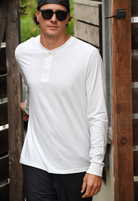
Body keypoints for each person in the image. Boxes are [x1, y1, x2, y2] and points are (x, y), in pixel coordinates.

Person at [15, 0, 108, 200]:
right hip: (35, 162)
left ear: (68, 18)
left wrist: (96, 166)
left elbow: (98, 114)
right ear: (38, 16)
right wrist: (28, 107)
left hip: (76, 164)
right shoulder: (23, 52)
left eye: (60, 14)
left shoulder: (88, 56)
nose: (53, 19)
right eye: (47, 13)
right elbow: (33, 89)